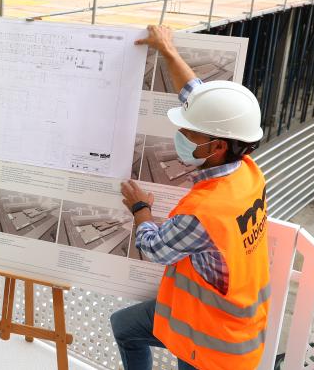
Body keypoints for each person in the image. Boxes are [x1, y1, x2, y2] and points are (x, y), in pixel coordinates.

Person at [111, 26, 270, 370]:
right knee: (125, 326)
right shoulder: (247, 171)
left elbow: (154, 248)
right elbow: (200, 100)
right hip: (231, 322)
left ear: (218, 146)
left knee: (128, 329)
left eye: (188, 131)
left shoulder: (207, 211)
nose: (180, 134)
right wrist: (168, 50)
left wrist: (141, 209)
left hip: (211, 342)